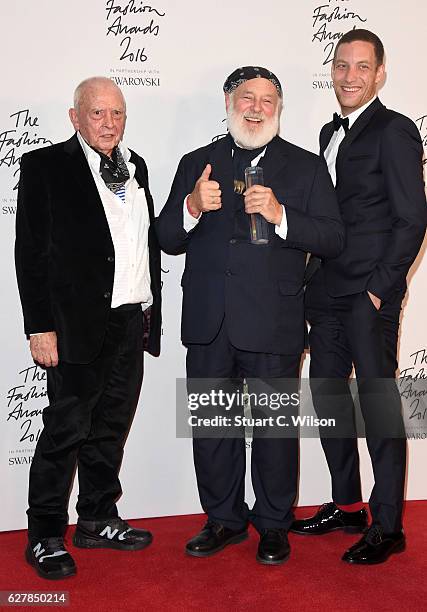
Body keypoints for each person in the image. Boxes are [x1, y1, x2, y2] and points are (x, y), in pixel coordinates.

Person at [156, 66, 344, 565]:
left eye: (267, 99)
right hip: (209, 321)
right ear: (228, 102)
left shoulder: (305, 168)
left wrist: (283, 216)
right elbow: (166, 239)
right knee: (212, 427)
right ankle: (223, 519)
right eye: (247, 97)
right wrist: (192, 207)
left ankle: (274, 525)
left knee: (275, 431)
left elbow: (332, 238)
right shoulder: (197, 162)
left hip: (275, 320)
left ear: (278, 108)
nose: (256, 107)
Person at [15, 77, 161, 580]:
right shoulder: (45, 167)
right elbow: (30, 255)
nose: (109, 123)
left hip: (129, 321)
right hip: (75, 326)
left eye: (116, 113)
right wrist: (39, 327)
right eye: (97, 113)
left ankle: (97, 518)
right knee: (64, 432)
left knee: (110, 431)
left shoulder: (135, 165)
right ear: (74, 117)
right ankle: (46, 534)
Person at [291, 29, 427, 564]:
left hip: (367, 293)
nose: (350, 76)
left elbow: (412, 219)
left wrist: (379, 290)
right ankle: (347, 505)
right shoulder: (329, 130)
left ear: (380, 74)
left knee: (378, 409)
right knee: (329, 402)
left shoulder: (395, 131)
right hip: (323, 289)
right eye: (342, 66)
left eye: (361, 67)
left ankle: (388, 525)